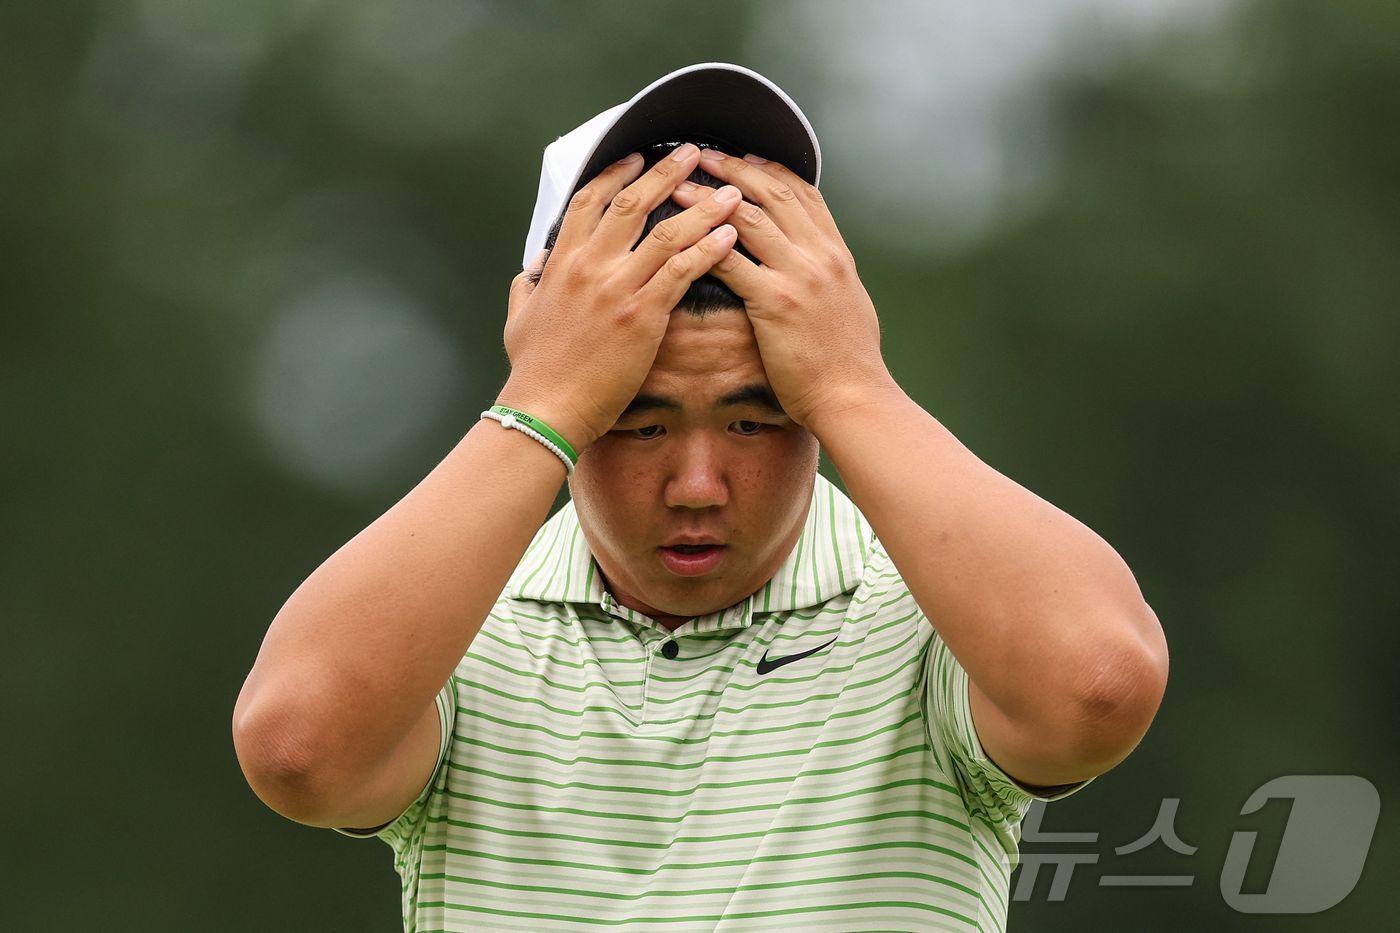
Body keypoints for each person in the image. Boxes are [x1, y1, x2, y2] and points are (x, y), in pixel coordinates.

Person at [232, 63, 1168, 931]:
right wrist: (540, 399)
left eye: (753, 421)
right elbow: (298, 751)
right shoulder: (455, 630)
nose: (696, 486)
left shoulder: (932, 617)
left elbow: (1095, 686)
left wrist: (855, 386)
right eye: (638, 423)